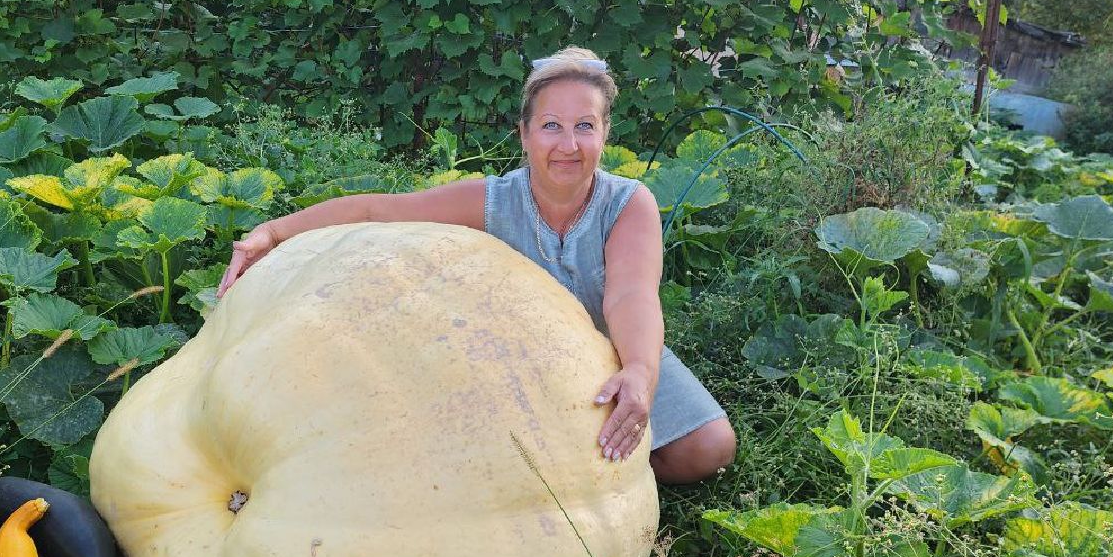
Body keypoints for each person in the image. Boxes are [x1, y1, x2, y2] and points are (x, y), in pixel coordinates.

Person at [216, 47, 737, 484]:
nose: (568, 145)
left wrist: (640, 373)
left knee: (709, 448)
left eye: (585, 126)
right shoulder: (492, 202)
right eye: (551, 126)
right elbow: (381, 210)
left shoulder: (629, 203)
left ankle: (609, 465)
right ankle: (585, 466)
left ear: (604, 133)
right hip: (522, 364)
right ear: (525, 133)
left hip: (621, 346)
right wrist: (274, 231)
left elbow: (630, 295)